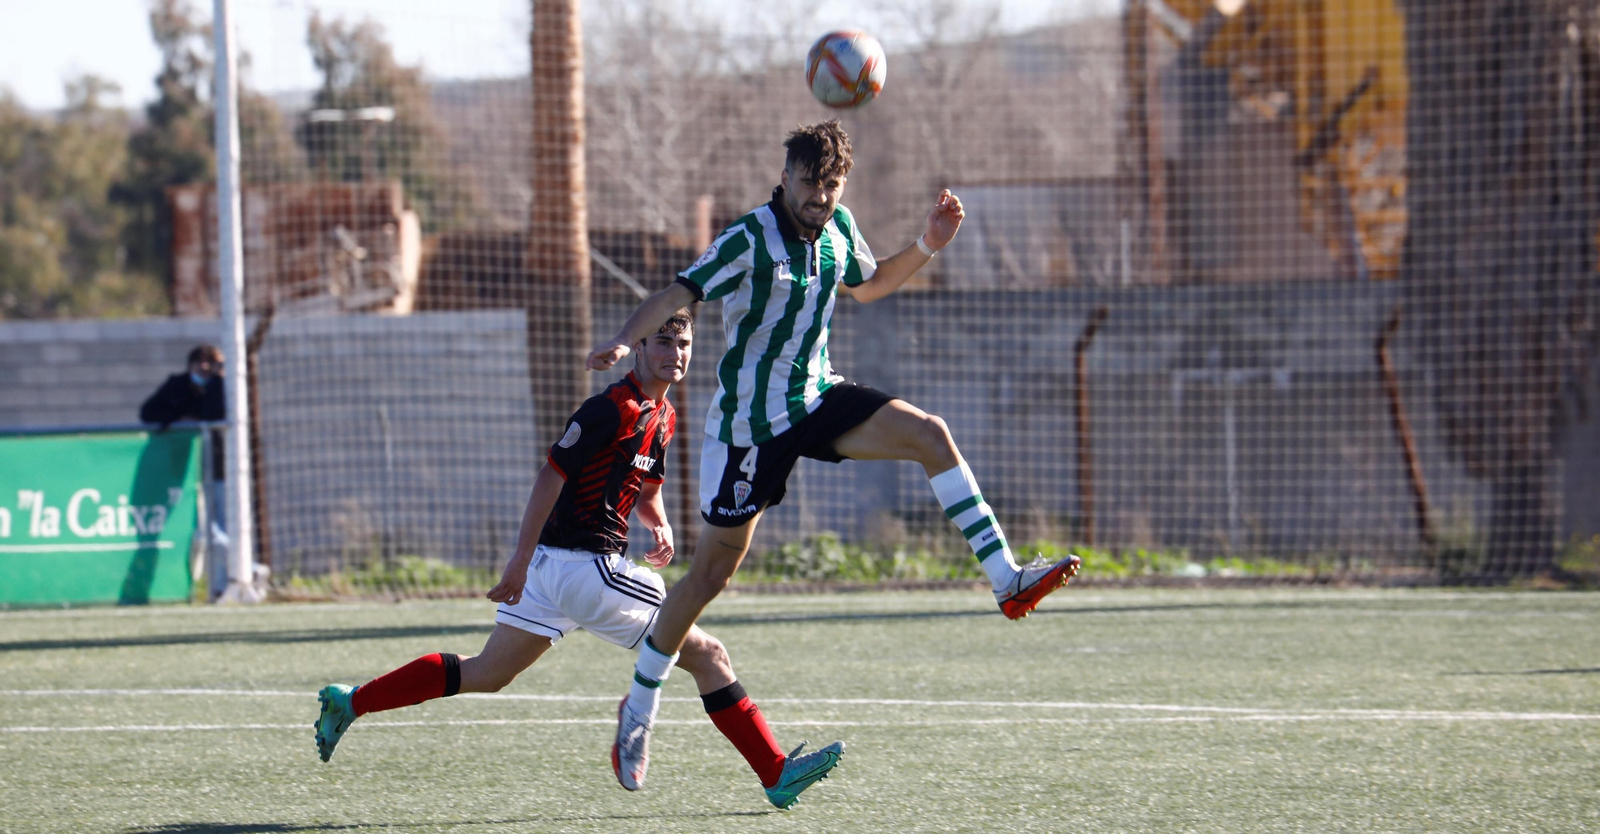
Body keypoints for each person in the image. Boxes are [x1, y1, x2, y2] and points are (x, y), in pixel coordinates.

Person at [587, 120, 1083, 782]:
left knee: (930, 433)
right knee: (710, 577)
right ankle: (639, 707)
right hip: (750, 429)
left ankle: (1007, 581)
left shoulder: (841, 228)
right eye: (811, 183)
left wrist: (927, 245)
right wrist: (625, 339)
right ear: (786, 175)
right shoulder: (748, 237)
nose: (821, 196)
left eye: (832, 185)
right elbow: (680, 293)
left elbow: (869, 285)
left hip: (815, 399)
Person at [311, 311, 844, 811]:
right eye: (663, 341)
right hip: (582, 568)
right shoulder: (610, 407)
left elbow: (645, 484)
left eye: (683, 344)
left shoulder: (663, 415)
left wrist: (656, 523)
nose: (674, 353)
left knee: (488, 672)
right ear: (638, 345)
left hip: (561, 573)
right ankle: (773, 772)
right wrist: (518, 561)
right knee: (709, 655)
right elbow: (550, 476)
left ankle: (351, 702)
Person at [140, 343, 229, 599]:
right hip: (185, 472)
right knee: (201, 533)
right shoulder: (177, 386)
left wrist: (214, 385)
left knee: (217, 529)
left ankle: (223, 585)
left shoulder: (222, 387)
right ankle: (198, 585)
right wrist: (179, 421)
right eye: (202, 362)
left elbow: (215, 414)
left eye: (213, 363)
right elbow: (148, 412)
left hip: (218, 470)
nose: (207, 367)